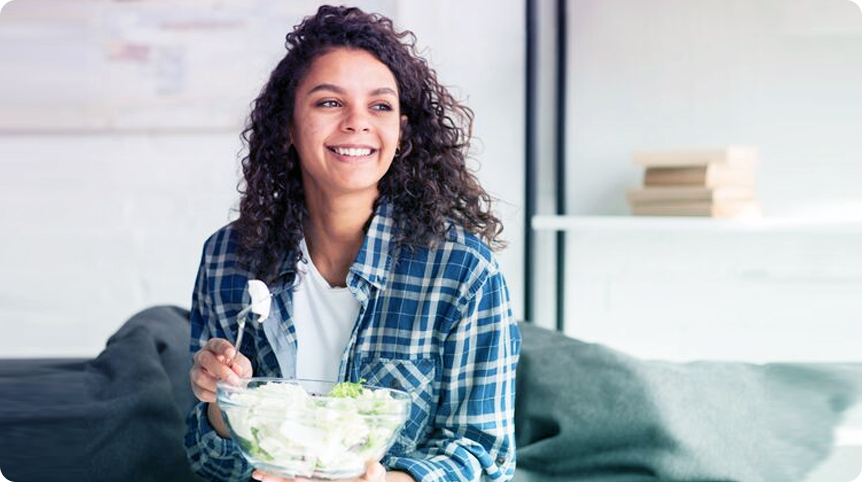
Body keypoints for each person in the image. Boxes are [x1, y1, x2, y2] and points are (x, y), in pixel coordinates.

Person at [185, 5, 521, 482]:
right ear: (287, 127)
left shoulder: (464, 271)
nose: (357, 122)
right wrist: (223, 404)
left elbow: (487, 457)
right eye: (329, 102)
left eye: (380, 106)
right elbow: (207, 459)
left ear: (401, 131)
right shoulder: (229, 259)